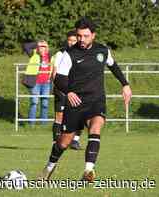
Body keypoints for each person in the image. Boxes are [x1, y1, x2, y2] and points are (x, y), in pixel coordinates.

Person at [39, 17, 132, 182]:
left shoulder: (103, 51)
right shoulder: (69, 54)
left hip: (96, 100)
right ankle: (49, 166)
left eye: (85, 36)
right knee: (64, 142)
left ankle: (88, 171)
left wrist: (125, 84)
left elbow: (113, 66)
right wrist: (68, 92)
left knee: (96, 127)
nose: (81, 39)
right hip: (75, 103)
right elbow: (59, 79)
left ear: (93, 35)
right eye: (79, 35)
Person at [51, 30, 82, 150]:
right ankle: (56, 142)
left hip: (77, 89)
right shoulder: (61, 54)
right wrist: (58, 88)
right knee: (59, 116)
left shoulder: (82, 53)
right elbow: (55, 73)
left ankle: (75, 141)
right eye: (69, 40)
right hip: (63, 89)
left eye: (74, 40)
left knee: (80, 115)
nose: (72, 42)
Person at [22, 41, 53, 125]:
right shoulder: (33, 54)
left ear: (47, 47)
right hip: (35, 83)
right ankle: (31, 124)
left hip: (46, 83)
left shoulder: (51, 56)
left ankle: (44, 124)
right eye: (41, 46)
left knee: (45, 103)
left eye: (44, 46)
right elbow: (25, 45)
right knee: (34, 102)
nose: (42, 48)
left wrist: (51, 79)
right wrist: (37, 43)